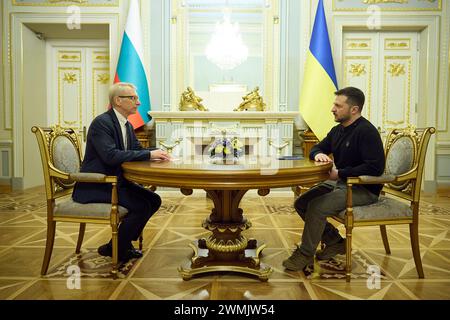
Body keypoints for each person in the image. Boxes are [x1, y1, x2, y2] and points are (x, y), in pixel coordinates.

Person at [282, 86, 385, 271]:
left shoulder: (367, 131)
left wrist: (341, 173)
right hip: (340, 183)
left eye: (338, 105)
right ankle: (335, 241)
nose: (332, 109)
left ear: (354, 110)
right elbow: (316, 148)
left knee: (317, 206)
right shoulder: (337, 130)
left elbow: (375, 167)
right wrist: (319, 154)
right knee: (302, 202)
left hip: (363, 188)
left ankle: (305, 254)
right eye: (334, 104)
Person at [72, 82, 171, 263]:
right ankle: (118, 247)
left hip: (117, 182)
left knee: (154, 200)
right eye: (133, 98)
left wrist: (156, 154)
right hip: (98, 184)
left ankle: (117, 245)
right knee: (141, 206)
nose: (139, 103)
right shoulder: (102, 123)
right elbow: (110, 156)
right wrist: (149, 154)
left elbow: (135, 148)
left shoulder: (125, 124)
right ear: (118, 100)